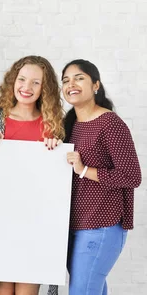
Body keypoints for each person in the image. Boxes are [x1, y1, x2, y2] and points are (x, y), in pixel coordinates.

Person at [0, 55, 63, 295]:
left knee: (28, 286)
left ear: (45, 88)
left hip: (37, 221)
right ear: (13, 81)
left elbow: (59, 179)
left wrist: (58, 152)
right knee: (4, 287)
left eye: (36, 82)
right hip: (2, 219)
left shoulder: (52, 124)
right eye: (22, 79)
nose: (27, 87)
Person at [62, 59, 141, 295]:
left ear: (96, 85)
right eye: (66, 80)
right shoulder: (70, 124)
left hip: (101, 226)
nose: (71, 84)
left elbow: (132, 176)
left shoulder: (110, 123)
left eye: (79, 78)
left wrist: (85, 170)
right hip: (74, 225)